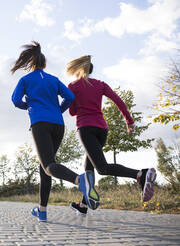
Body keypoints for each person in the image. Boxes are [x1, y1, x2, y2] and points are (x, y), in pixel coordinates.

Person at [11, 42, 100, 222]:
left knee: (49, 166)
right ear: (44, 64)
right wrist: (59, 109)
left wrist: (29, 106)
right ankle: (42, 210)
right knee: (45, 167)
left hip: (40, 123)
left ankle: (80, 181)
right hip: (58, 125)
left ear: (32, 63)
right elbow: (70, 97)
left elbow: (15, 100)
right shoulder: (53, 79)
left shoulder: (26, 80)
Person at [66, 55, 157, 217]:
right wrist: (129, 121)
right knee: (88, 165)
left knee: (102, 168)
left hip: (86, 128)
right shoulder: (100, 84)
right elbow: (118, 100)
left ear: (78, 70)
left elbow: (72, 112)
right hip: (102, 129)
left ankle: (140, 174)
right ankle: (84, 205)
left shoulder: (73, 86)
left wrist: (77, 102)